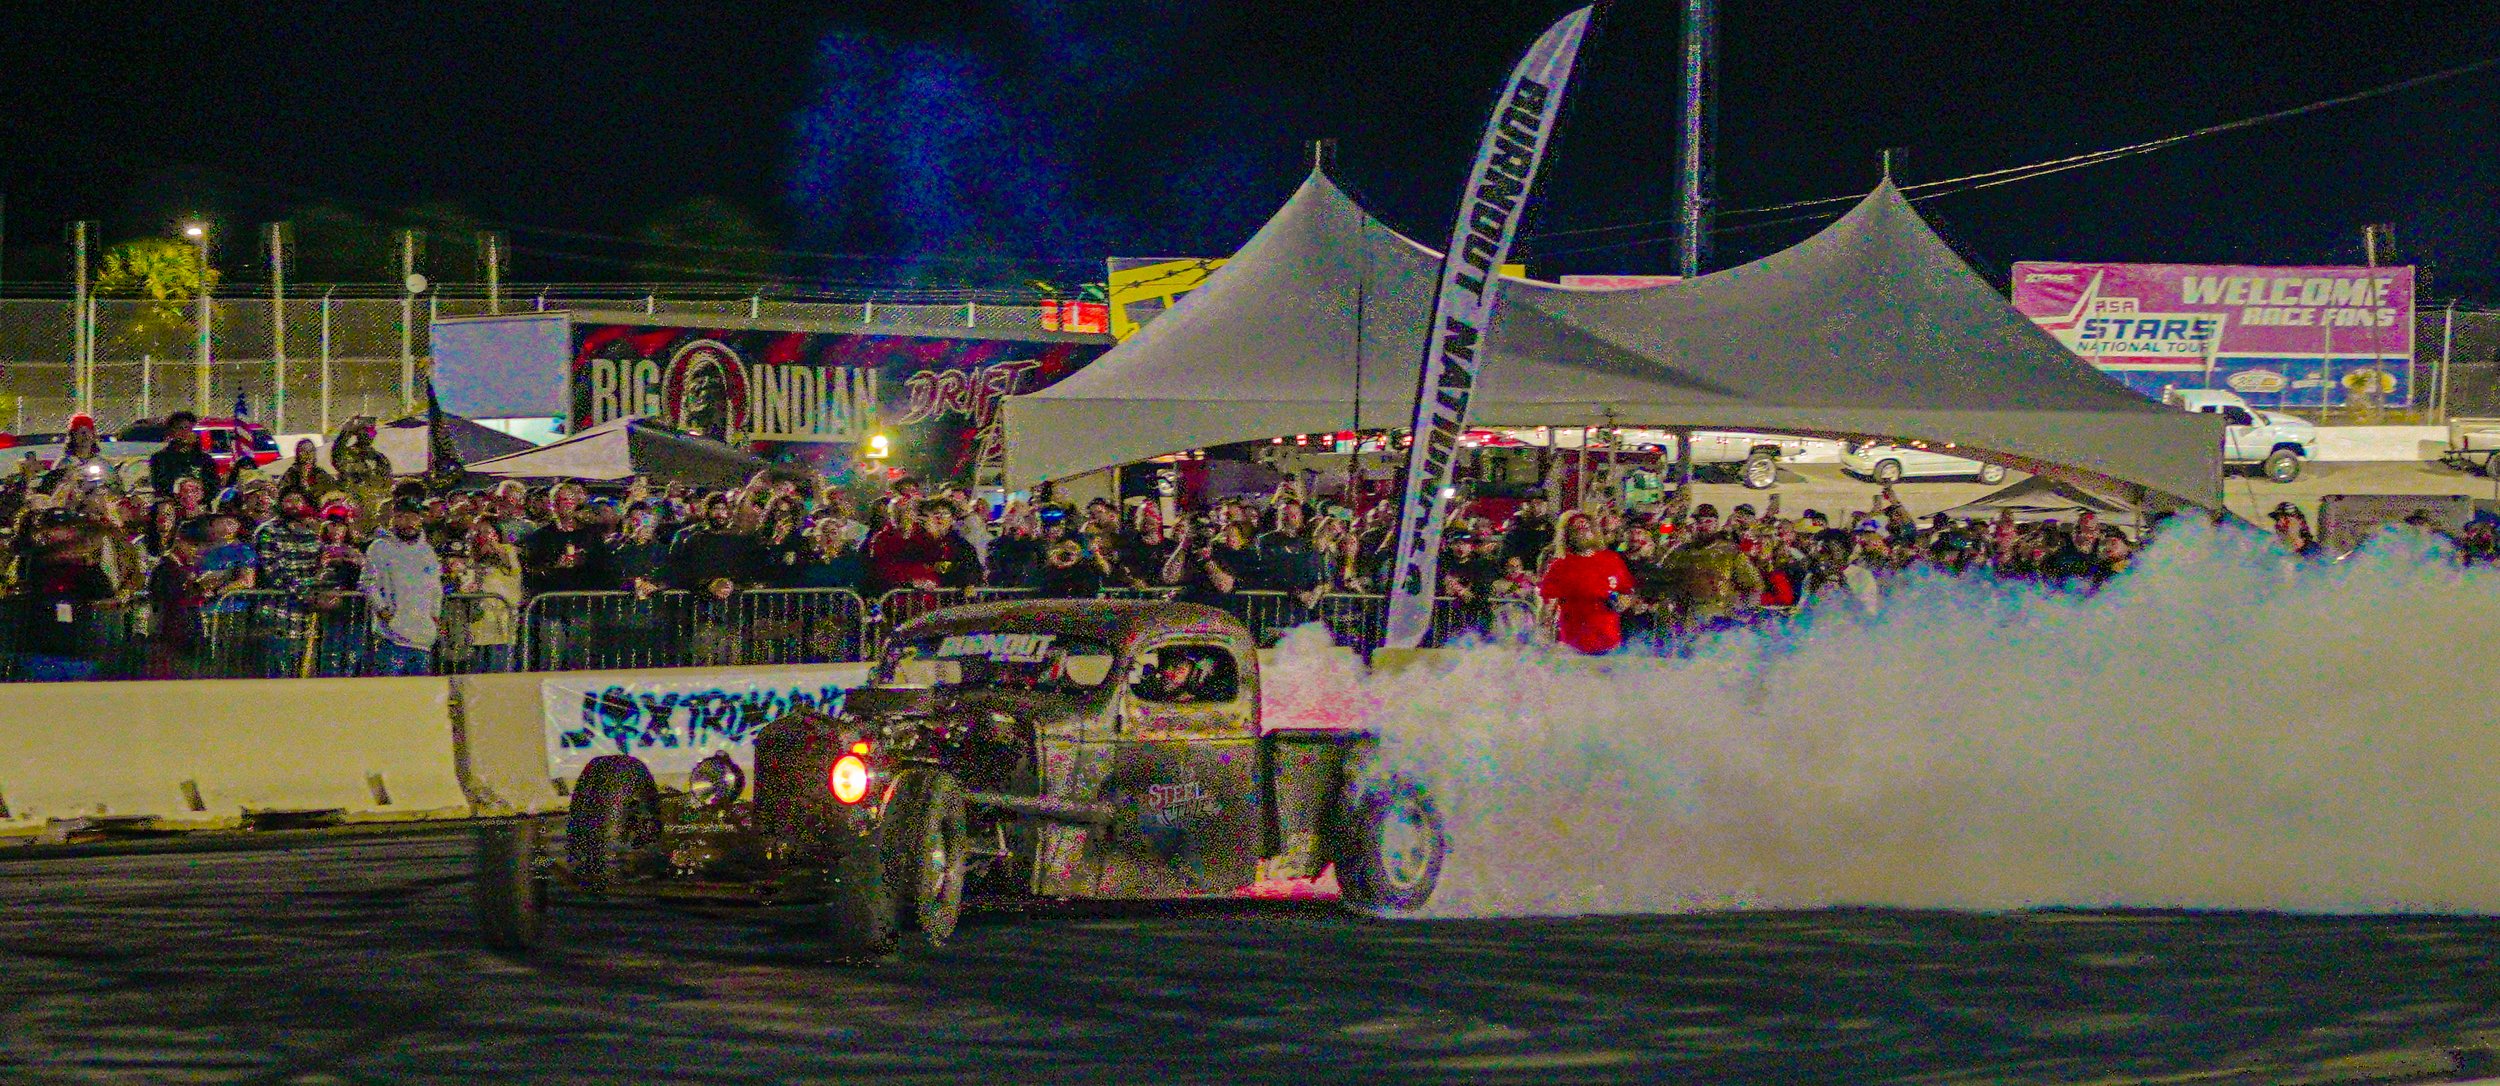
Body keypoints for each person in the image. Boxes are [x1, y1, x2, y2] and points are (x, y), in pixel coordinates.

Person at [359, 501, 442, 675]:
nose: (408, 522)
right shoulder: (379, 548)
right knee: (390, 691)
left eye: (412, 517)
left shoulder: (428, 552)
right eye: (401, 517)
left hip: (422, 637)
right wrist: (382, 610)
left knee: (420, 693)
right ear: (392, 520)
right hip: (391, 638)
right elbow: (368, 582)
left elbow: (435, 588)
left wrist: (434, 615)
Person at [1538, 513, 1635, 655]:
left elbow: (1627, 592)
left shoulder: (1612, 559)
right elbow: (1548, 606)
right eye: (1577, 529)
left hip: (1610, 645)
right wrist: (1543, 635)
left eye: (1586, 528)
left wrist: (1623, 602)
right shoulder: (1559, 566)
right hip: (1573, 648)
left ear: (1595, 531)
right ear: (1567, 536)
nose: (1582, 532)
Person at [148, 411, 222, 497]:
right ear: (172, 433)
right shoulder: (160, 458)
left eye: (188, 428)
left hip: (199, 503)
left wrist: (199, 492)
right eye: (180, 428)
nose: (184, 432)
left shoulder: (205, 459)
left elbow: (213, 485)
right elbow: (159, 485)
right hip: (171, 502)